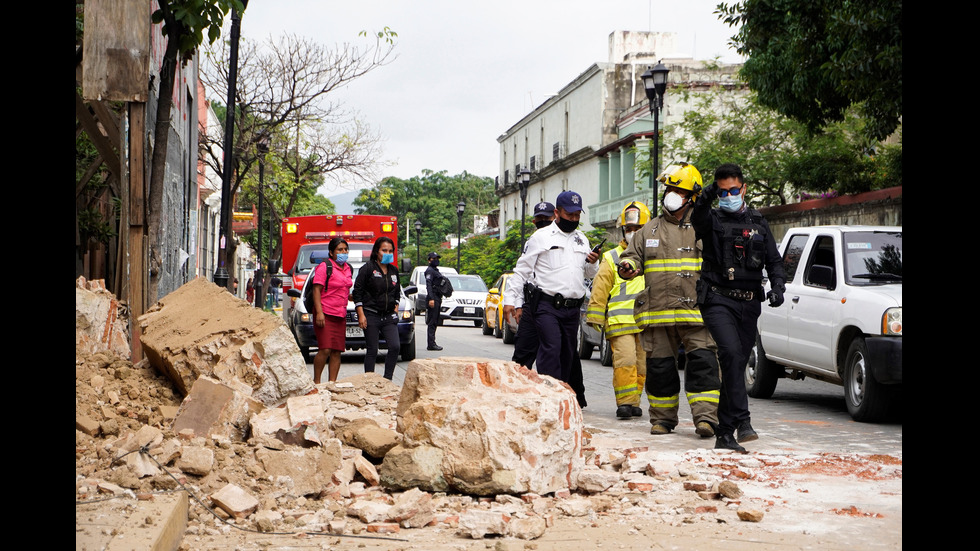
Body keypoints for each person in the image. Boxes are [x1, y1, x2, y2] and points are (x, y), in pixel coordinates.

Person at [618, 164, 721, 438]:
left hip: (696, 313)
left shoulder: (705, 227)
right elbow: (630, 257)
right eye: (669, 189)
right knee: (660, 370)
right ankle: (662, 420)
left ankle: (706, 419)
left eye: (679, 190)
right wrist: (627, 266)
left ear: (693, 196)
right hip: (658, 313)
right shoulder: (648, 231)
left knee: (703, 366)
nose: (671, 195)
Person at [691, 162, 786, 452]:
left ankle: (740, 422)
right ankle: (727, 432)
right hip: (718, 299)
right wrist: (707, 195)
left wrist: (778, 286)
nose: (729, 196)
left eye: (734, 190)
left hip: (749, 303)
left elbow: (774, 260)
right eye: (723, 192)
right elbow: (697, 218)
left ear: (743, 189)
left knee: (737, 363)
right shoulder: (712, 219)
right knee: (731, 354)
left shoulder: (758, 221)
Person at [503, 190, 600, 384]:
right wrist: (510, 301)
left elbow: (589, 274)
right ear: (557, 213)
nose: (573, 219)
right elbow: (521, 271)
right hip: (547, 306)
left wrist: (593, 262)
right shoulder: (541, 237)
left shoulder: (581, 239)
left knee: (567, 354)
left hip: (572, 309)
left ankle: (561, 394)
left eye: (577, 215)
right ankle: (549, 392)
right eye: (569, 215)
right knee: (551, 348)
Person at [586, 201, 650, 420]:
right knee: (626, 361)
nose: (633, 233)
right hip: (620, 321)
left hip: (645, 322)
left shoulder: (653, 256)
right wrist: (595, 314)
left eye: (638, 229)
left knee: (641, 365)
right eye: (629, 229)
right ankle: (624, 403)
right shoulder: (612, 257)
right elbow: (601, 286)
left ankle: (634, 401)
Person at [352, 236, 402, 380]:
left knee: (395, 347)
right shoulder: (368, 269)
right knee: (372, 349)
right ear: (376, 251)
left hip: (388, 316)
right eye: (384, 250)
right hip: (371, 314)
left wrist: (395, 309)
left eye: (390, 251)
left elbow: (397, 292)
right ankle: (369, 381)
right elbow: (357, 293)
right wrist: (361, 315)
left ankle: (387, 379)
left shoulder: (393, 270)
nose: (387, 253)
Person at [310, 238, 354, 384]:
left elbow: (344, 289)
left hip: (340, 314)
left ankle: (332, 384)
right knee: (325, 349)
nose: (343, 252)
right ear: (331, 252)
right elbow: (317, 290)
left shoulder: (348, 268)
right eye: (340, 250)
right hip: (325, 313)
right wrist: (319, 312)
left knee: (337, 350)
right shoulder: (324, 267)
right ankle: (316, 382)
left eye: (345, 249)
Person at [424, 252, 446, 351]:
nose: (436, 260)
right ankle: (431, 344)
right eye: (434, 258)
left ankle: (432, 342)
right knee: (432, 321)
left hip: (437, 297)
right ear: (429, 260)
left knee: (435, 320)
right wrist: (431, 299)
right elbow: (429, 285)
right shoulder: (429, 271)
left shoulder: (435, 270)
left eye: (437, 258)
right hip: (433, 298)